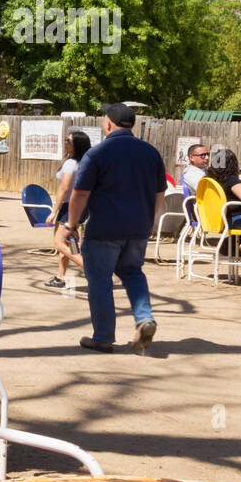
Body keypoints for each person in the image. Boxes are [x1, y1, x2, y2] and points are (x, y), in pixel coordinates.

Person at [56, 103, 167, 353]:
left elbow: (81, 193)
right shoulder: (151, 153)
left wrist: (70, 224)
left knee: (100, 280)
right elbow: (160, 192)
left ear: (108, 123)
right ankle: (144, 318)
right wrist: (149, 220)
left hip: (105, 228)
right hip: (139, 228)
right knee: (133, 273)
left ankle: (104, 337)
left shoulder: (98, 153)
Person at [44, 129, 92, 288]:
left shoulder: (71, 164)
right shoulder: (84, 162)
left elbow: (64, 189)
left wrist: (54, 211)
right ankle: (60, 277)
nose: (65, 143)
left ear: (77, 145)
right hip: (81, 206)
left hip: (69, 207)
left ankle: (90, 269)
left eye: (68, 141)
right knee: (68, 242)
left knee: (59, 243)